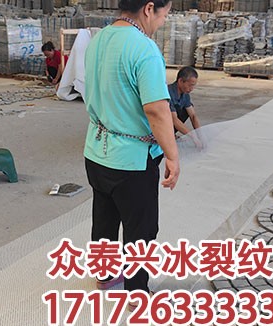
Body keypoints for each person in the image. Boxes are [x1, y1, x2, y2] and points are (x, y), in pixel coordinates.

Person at [83, 0, 179, 294]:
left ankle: (105, 275)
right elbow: (157, 110)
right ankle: (137, 292)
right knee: (141, 229)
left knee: (104, 219)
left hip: (97, 151)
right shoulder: (144, 48)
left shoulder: (99, 39)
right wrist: (173, 156)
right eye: (164, 14)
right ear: (149, 8)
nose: (163, 22)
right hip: (132, 160)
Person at [168, 66, 203, 145]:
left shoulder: (185, 94)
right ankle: (168, 134)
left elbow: (193, 116)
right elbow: (174, 119)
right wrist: (193, 137)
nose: (191, 88)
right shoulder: (169, 93)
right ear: (180, 81)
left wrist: (200, 135)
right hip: (157, 125)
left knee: (186, 110)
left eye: (193, 85)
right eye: (190, 85)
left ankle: (171, 133)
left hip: (172, 121)